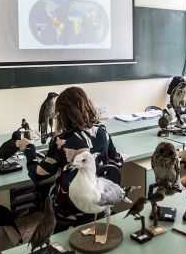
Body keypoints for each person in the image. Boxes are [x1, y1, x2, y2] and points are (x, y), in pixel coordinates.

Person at [16, 86, 123, 230]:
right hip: (98, 204)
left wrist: (29, 151)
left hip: (69, 208)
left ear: (63, 114)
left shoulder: (62, 141)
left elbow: (38, 176)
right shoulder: (102, 130)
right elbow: (118, 162)